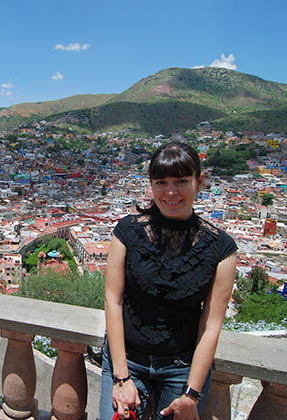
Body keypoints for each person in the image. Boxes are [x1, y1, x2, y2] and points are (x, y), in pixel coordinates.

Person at [100, 142, 237, 420]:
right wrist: (121, 378)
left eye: (181, 181)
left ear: (199, 182)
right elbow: (112, 301)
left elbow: (211, 326)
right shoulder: (127, 232)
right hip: (126, 361)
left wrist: (191, 395)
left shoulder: (221, 249)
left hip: (182, 368)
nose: (171, 192)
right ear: (151, 185)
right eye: (161, 182)